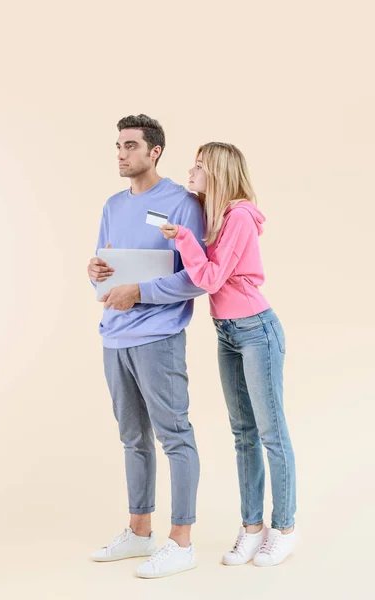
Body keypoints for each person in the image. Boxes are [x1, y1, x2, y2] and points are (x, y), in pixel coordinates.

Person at [160, 142, 297, 567]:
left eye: (199, 166)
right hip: (228, 334)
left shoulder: (237, 217)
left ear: (217, 172)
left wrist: (183, 238)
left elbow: (212, 278)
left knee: (271, 434)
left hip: (257, 331)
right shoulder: (215, 220)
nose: (191, 171)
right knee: (243, 435)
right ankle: (252, 528)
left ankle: (285, 528)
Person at [87, 114, 206, 579]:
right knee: (132, 438)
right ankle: (139, 531)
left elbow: (196, 277)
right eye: (118, 146)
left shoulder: (182, 203)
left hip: (158, 338)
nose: (121, 154)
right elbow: (102, 261)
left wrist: (139, 292)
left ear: (154, 151)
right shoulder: (112, 205)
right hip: (113, 336)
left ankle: (182, 541)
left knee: (174, 435)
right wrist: (94, 271)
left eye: (130, 146)